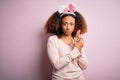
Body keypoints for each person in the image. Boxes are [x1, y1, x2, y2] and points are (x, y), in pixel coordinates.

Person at [44, 3, 88, 80]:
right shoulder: (53, 40)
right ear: (60, 24)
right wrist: (76, 50)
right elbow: (56, 65)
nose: (68, 27)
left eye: (71, 24)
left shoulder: (77, 40)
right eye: (65, 24)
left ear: (75, 25)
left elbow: (84, 66)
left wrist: (79, 50)